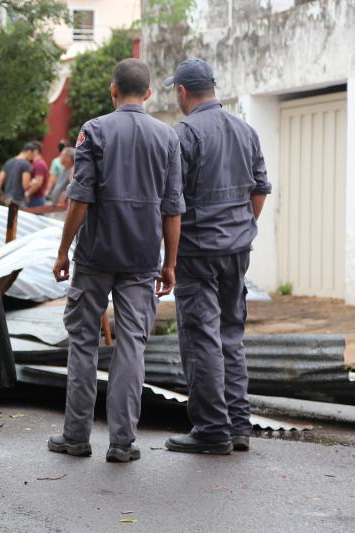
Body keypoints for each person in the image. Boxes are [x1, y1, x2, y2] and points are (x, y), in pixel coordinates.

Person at [48, 58, 184, 463]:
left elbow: (80, 197)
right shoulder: (167, 138)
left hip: (94, 256)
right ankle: (122, 442)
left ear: (112, 90)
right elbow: (172, 208)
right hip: (142, 258)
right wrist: (170, 262)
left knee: (83, 344)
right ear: (147, 94)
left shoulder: (94, 130)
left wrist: (62, 250)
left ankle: (76, 437)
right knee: (130, 347)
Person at [162, 59, 271, 455]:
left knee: (201, 336)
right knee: (230, 334)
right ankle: (238, 426)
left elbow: (172, 202)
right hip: (236, 250)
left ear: (183, 92)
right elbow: (259, 190)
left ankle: (211, 429)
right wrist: (241, 227)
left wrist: (169, 259)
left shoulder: (185, 133)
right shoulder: (246, 129)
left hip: (197, 250)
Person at [26, 142, 49, 208]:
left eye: (30, 150)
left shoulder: (39, 164)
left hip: (36, 199)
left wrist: (27, 194)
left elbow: (38, 183)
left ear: (35, 151)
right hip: (34, 199)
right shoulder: (35, 163)